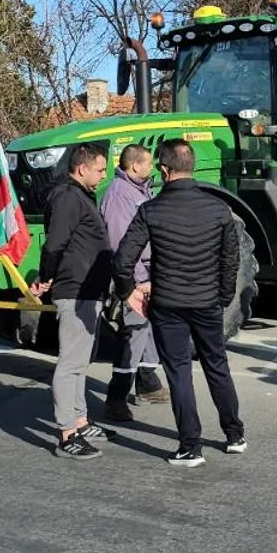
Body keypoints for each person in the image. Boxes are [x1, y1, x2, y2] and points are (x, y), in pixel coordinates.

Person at [111, 139, 244, 467]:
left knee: (179, 372)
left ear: (164, 169)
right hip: (208, 300)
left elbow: (122, 260)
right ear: (192, 166)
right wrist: (224, 296)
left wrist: (129, 291)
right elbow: (231, 260)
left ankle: (190, 446)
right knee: (217, 365)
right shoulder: (218, 209)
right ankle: (234, 434)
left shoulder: (150, 209)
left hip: (168, 303)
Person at [27, 141, 115, 461]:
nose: (104, 175)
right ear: (82, 168)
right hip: (75, 290)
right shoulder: (67, 197)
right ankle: (67, 434)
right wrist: (46, 276)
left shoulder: (79, 195)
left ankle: (80, 420)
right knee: (70, 364)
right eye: (101, 169)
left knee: (80, 363)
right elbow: (55, 244)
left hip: (88, 291)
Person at [99, 143, 168, 422]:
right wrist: (138, 280)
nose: (151, 168)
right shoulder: (119, 196)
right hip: (136, 277)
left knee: (147, 328)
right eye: (148, 163)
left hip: (148, 273)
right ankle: (116, 397)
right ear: (135, 166)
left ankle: (148, 383)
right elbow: (119, 243)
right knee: (135, 330)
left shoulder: (140, 190)